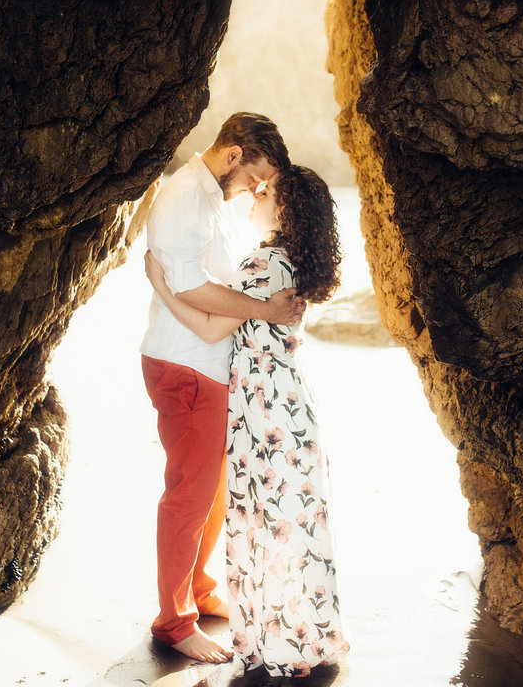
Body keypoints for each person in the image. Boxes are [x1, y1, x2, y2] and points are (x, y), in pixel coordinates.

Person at [146, 164, 350, 678]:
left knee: (262, 520)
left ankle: (277, 643)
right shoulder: (293, 263)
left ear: (284, 209)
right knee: (293, 521)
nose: (256, 195)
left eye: (267, 191)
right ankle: (306, 636)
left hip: (263, 409)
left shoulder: (262, 265)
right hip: (287, 400)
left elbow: (212, 329)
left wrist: (162, 284)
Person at [140, 112, 306, 663]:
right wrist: (263, 308)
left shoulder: (216, 203)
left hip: (211, 364)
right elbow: (189, 285)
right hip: (186, 364)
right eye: (257, 175)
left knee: (212, 495)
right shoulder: (186, 197)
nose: (259, 188)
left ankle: (200, 590)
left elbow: (233, 268)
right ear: (234, 154)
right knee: (189, 496)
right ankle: (173, 622)